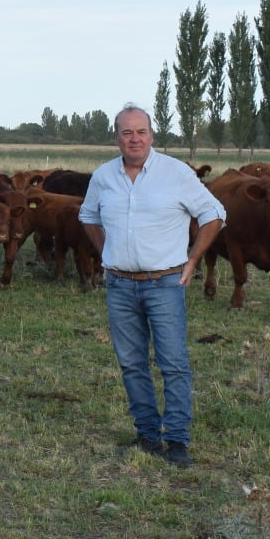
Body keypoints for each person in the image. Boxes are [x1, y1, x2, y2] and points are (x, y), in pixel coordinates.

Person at [79, 105, 225, 468]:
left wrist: (193, 260)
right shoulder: (103, 177)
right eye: (127, 133)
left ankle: (176, 440)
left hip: (165, 283)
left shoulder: (176, 173)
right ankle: (147, 435)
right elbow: (88, 216)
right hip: (120, 285)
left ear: (152, 135)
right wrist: (106, 251)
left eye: (141, 131)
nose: (134, 139)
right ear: (116, 138)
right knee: (131, 363)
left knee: (173, 362)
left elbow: (214, 214)